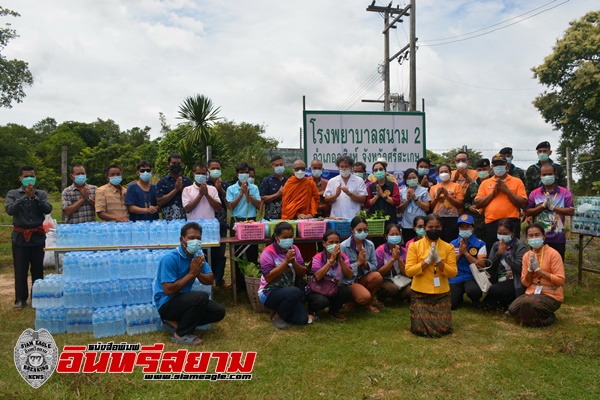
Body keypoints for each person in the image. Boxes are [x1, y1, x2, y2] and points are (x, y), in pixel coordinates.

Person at [154, 222, 226, 345]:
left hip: (183, 301)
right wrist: (191, 274)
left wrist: (197, 273)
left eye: (198, 238)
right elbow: (168, 290)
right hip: (166, 303)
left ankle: (174, 322)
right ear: (182, 240)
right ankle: (180, 333)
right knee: (200, 297)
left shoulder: (197, 255)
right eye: (191, 238)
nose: (195, 241)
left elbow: (210, 280)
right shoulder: (170, 258)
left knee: (218, 311)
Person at [5, 166, 53, 309]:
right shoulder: (13, 193)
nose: (29, 179)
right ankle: (20, 299)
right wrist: (25, 197)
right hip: (20, 236)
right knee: (20, 269)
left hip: (37, 236)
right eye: (26, 176)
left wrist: (34, 197)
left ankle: (37, 298)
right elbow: (10, 210)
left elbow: (48, 209)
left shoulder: (41, 194)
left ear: (35, 177)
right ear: (20, 178)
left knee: (38, 269)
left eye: (32, 176)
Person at [405, 214, 458, 337]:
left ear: (441, 228)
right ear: (425, 228)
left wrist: (439, 262)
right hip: (420, 293)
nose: (434, 229)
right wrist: (426, 262)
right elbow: (409, 271)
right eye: (430, 227)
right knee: (419, 328)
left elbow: (453, 273)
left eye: (437, 227)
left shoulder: (448, 247)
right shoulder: (414, 246)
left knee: (443, 328)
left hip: (441, 293)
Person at [508, 223, 565, 327]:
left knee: (529, 304)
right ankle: (532, 317)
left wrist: (539, 271)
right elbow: (525, 283)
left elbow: (560, 280)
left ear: (544, 236)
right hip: (532, 291)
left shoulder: (553, 254)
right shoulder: (527, 256)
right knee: (512, 309)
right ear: (527, 238)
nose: (534, 238)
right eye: (531, 235)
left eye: (537, 235)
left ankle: (548, 318)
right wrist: (530, 270)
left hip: (551, 293)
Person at [258, 222, 313, 328]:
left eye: (290, 237)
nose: (288, 240)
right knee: (295, 291)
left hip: (288, 291)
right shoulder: (268, 252)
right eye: (285, 237)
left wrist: (293, 262)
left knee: (302, 320)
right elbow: (268, 277)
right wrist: (285, 262)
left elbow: (302, 272)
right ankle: (277, 317)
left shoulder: (295, 249)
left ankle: (280, 309)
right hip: (269, 292)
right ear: (276, 237)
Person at [475, 153, 527, 252]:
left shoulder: (517, 181)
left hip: (511, 222)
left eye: (501, 164)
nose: (498, 167)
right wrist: (492, 194)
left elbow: (523, 203)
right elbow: (478, 203)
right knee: (493, 251)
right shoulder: (485, 183)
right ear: (492, 167)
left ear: (507, 166)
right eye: (496, 164)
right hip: (492, 223)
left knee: (513, 251)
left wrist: (506, 190)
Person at [525, 163, 574, 260]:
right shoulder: (534, 193)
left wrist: (552, 207)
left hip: (558, 237)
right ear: (540, 176)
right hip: (538, 238)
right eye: (544, 174)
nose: (547, 176)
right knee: (537, 264)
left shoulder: (564, 192)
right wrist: (542, 206)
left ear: (555, 175)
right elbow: (528, 212)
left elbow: (571, 211)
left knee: (556, 264)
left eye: (550, 174)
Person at [227, 162, 262, 289]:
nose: (244, 175)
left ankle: (251, 281)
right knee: (237, 253)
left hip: (251, 221)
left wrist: (249, 196)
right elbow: (230, 207)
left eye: (246, 172)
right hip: (237, 221)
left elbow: (259, 205)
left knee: (252, 252)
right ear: (237, 174)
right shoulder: (231, 189)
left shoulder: (254, 188)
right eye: (241, 172)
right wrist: (241, 194)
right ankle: (238, 284)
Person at [482, 219, 528, 311]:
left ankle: (511, 301)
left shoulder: (520, 246)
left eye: (505, 233)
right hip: (498, 278)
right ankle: (504, 303)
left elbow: (519, 267)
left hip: (514, 280)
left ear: (512, 233)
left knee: (494, 290)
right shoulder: (496, 245)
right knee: (485, 306)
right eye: (500, 233)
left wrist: (504, 253)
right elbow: (489, 266)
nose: (502, 236)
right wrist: (498, 254)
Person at [307, 230, 353, 320]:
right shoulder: (318, 257)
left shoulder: (343, 256)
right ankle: (312, 310)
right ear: (324, 243)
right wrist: (330, 262)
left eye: (337, 242)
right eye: (331, 242)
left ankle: (333, 311)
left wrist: (340, 260)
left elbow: (350, 275)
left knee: (346, 291)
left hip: (333, 288)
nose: (334, 245)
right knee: (321, 301)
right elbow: (318, 276)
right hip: (318, 289)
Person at [340, 216, 383, 313]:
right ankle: (351, 300)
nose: (362, 232)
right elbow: (344, 271)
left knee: (377, 277)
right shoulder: (344, 246)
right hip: (350, 280)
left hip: (364, 277)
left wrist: (365, 263)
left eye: (365, 230)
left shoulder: (370, 244)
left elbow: (374, 266)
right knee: (364, 297)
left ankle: (369, 303)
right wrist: (358, 263)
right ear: (352, 230)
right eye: (359, 230)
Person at [449, 214, 487, 310]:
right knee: (451, 305)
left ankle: (475, 300)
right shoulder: (452, 244)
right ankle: (458, 297)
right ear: (458, 228)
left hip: (472, 277)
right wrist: (460, 254)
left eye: (467, 227)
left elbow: (481, 265)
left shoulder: (480, 244)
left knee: (474, 291)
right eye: (462, 227)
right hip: (456, 277)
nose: (464, 229)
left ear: (473, 228)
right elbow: (450, 263)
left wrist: (466, 254)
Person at [206, 159, 231, 290]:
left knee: (220, 253)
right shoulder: (204, 184)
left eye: (218, 167)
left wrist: (220, 190)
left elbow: (230, 203)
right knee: (206, 252)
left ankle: (219, 280)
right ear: (208, 170)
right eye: (213, 167)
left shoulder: (225, 185)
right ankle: (207, 279)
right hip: (207, 224)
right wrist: (213, 190)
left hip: (221, 223)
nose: (216, 170)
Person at [376, 224, 410, 303]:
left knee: (409, 291)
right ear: (386, 236)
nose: (395, 236)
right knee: (392, 289)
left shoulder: (404, 251)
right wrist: (392, 259)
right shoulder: (380, 250)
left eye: (397, 234)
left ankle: (395, 298)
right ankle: (381, 298)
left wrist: (399, 260)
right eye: (392, 234)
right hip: (385, 279)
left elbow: (406, 273)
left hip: (400, 278)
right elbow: (379, 273)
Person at [429, 163, 464, 243]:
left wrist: (448, 196)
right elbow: (431, 206)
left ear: (450, 173)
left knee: (451, 241)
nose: (443, 173)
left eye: (446, 171)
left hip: (452, 218)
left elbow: (460, 204)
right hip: (437, 219)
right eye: (441, 172)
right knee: (438, 241)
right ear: (438, 174)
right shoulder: (433, 188)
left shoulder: (457, 186)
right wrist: (437, 197)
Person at [156, 154, 192, 221]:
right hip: (169, 222)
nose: (176, 165)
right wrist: (176, 190)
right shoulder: (162, 182)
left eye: (178, 163)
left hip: (186, 220)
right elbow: (159, 202)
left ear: (182, 165)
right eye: (174, 163)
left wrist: (182, 190)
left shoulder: (187, 181)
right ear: (168, 164)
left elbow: (192, 199)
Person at [399, 168, 430, 243]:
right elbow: (399, 209)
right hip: (407, 225)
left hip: (421, 225)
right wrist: (407, 200)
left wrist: (415, 198)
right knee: (409, 246)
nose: (412, 180)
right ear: (405, 179)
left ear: (417, 178)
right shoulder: (402, 192)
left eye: (414, 177)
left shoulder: (423, 190)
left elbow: (427, 208)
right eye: (409, 178)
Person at [365, 161, 401, 227]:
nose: (378, 171)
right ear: (373, 173)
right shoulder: (370, 187)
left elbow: (397, 202)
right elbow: (367, 204)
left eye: (381, 169)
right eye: (376, 170)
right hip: (375, 221)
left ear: (385, 171)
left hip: (390, 220)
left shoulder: (393, 185)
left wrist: (383, 195)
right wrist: (377, 196)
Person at [463, 158, 491, 240]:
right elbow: (465, 202)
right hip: (477, 223)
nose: (482, 171)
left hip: (492, 221)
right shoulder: (472, 185)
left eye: (485, 169)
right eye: (479, 170)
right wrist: (470, 207)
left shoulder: (495, 183)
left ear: (490, 169)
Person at [260, 156, 287, 220]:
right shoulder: (266, 181)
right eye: (276, 165)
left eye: (281, 164)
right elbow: (262, 199)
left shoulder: (288, 181)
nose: (279, 167)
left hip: (286, 217)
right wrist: (277, 194)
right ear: (272, 167)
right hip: (271, 218)